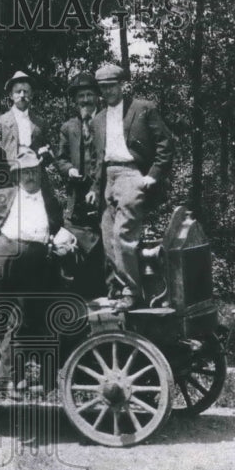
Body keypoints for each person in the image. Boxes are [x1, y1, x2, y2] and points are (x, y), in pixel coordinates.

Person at [0, 151, 67, 399]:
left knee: (26, 320)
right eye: (25, 172)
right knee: (5, 319)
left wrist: (58, 240)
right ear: (17, 176)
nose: (30, 176)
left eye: (34, 171)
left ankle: (21, 379)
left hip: (35, 261)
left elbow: (57, 227)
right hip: (5, 256)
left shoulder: (50, 200)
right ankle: (13, 381)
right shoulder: (4, 196)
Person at [92, 63, 175, 310]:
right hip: (109, 177)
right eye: (103, 88)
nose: (107, 92)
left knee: (123, 234)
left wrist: (153, 175)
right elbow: (98, 159)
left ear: (122, 85)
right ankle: (119, 288)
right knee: (108, 237)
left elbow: (165, 144)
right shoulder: (98, 119)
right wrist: (95, 189)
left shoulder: (142, 109)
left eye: (111, 86)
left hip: (132, 174)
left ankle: (132, 292)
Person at [55, 72, 107, 299]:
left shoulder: (107, 122)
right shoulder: (69, 127)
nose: (85, 100)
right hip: (77, 198)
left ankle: (108, 299)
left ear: (97, 97)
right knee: (74, 249)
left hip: (104, 194)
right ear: (75, 100)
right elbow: (60, 158)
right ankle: (83, 302)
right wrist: (69, 170)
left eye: (89, 95)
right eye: (81, 96)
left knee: (105, 248)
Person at [0, 70, 52, 166]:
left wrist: (46, 154)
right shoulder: (1, 122)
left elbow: (50, 148)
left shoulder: (40, 123)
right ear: (11, 95)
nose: (22, 95)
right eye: (18, 92)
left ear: (31, 95)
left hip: (36, 175)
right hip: (11, 176)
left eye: (26, 92)